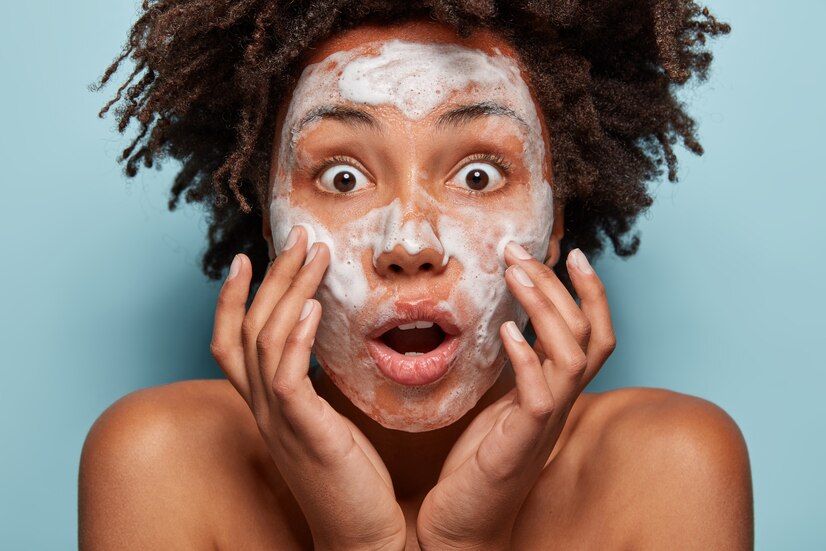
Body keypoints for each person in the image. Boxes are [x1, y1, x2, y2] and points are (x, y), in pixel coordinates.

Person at [79, 1, 752, 549]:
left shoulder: (673, 468)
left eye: (479, 175)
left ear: (554, 222)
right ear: (270, 223)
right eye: (342, 177)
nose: (408, 242)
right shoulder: (156, 462)